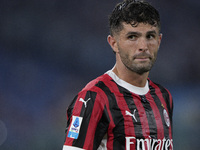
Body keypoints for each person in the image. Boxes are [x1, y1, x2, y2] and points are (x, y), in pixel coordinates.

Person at [62, 0, 173, 149]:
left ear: (159, 41)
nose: (143, 46)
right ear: (114, 43)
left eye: (150, 36)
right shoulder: (95, 97)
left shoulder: (163, 96)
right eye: (132, 37)